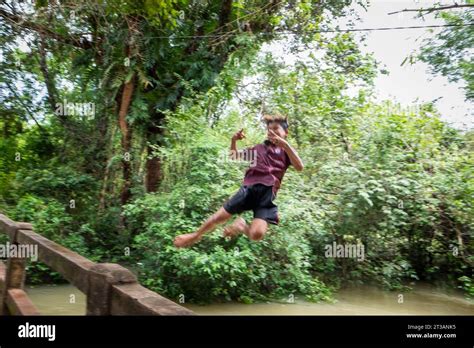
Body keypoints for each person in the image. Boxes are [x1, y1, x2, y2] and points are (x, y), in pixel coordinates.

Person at [173, 113, 304, 248]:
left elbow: (300, 167)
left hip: (267, 195)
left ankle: (241, 226)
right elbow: (234, 156)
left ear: (286, 132)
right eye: (269, 130)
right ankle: (195, 236)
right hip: (249, 189)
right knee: (219, 217)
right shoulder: (258, 149)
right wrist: (234, 140)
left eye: (276, 129)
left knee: (257, 234)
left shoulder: (286, 153)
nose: (272, 132)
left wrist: (286, 146)